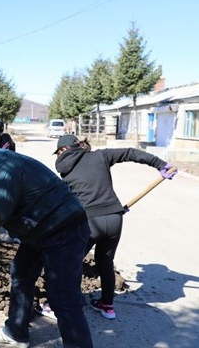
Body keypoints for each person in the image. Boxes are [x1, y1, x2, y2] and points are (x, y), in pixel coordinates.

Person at [0, 134, 94, 348]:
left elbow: (0, 208)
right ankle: (16, 332)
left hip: (63, 227)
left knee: (63, 296)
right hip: (41, 229)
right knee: (21, 273)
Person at [51, 134, 177, 320]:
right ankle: (107, 306)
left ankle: (65, 304)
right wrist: (160, 164)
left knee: (71, 263)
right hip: (114, 219)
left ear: (62, 150)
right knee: (105, 262)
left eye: (58, 152)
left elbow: (69, 203)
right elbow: (130, 152)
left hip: (90, 222)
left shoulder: (65, 172)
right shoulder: (101, 155)